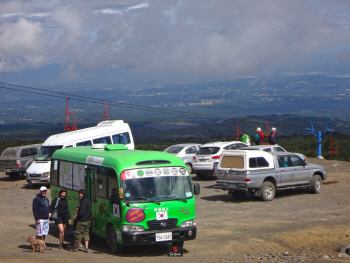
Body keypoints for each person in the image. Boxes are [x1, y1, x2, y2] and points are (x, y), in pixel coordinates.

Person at [32, 186, 51, 250]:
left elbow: (48, 207)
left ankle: (43, 244)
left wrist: (49, 213)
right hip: (40, 219)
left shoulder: (46, 199)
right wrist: (37, 219)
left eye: (45, 191)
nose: (44, 192)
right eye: (43, 191)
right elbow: (34, 209)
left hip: (46, 219)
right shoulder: (36, 199)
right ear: (40, 191)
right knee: (39, 233)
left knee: (44, 233)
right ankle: (37, 245)